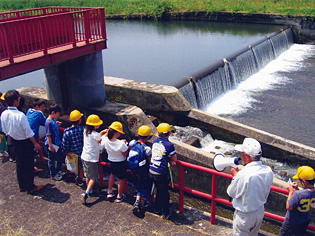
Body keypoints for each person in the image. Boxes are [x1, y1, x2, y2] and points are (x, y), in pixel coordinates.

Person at [227, 138, 274, 236]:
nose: (241, 155)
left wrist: (235, 176)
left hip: (245, 215)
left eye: (242, 153)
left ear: (247, 157)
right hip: (260, 211)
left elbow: (232, 192)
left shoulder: (244, 174)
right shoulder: (268, 170)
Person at [1, 90, 44, 194]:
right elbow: (28, 133)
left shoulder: (4, 113)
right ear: (16, 101)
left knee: (20, 164)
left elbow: (4, 129)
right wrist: (35, 143)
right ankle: (31, 187)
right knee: (28, 165)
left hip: (12, 141)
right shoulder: (20, 115)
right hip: (24, 142)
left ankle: (22, 185)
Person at [149, 123, 177, 220]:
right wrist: (170, 160)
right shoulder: (169, 145)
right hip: (161, 172)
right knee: (164, 193)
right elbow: (175, 159)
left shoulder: (156, 140)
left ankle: (157, 208)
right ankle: (166, 212)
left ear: (158, 134)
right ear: (169, 133)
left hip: (152, 170)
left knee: (159, 190)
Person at [279, 166, 315, 236]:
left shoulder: (298, 194)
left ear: (304, 181)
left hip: (292, 222)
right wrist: (297, 189)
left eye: (300, 180)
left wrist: (291, 192)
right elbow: (305, 196)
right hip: (305, 220)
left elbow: (289, 207)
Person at [101, 121, 129, 203]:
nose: (120, 134)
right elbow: (125, 154)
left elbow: (102, 140)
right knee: (121, 179)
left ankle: (109, 191)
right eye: (119, 132)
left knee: (112, 175)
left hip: (111, 161)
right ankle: (119, 196)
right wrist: (125, 144)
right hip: (121, 163)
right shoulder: (121, 144)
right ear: (116, 132)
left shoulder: (105, 140)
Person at [128, 125, 153, 214]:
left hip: (134, 168)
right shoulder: (147, 149)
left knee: (139, 185)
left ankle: (137, 201)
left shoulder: (132, 143)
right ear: (148, 137)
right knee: (144, 186)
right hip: (144, 170)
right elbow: (150, 161)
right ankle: (142, 204)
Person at [80, 114, 105, 204]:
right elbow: (100, 143)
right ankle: (86, 194)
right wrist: (103, 136)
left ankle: (89, 190)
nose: (98, 125)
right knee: (94, 178)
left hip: (84, 156)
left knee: (88, 176)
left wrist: (101, 133)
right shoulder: (96, 135)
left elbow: (96, 137)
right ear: (94, 125)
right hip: (92, 159)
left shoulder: (85, 131)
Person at [60, 110, 85, 187]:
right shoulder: (83, 129)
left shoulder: (67, 132)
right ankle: (80, 180)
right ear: (80, 120)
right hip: (82, 152)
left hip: (72, 153)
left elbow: (64, 145)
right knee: (81, 167)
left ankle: (74, 176)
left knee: (73, 166)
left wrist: (65, 152)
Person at [44, 104, 64, 181]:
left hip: (57, 143)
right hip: (52, 144)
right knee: (51, 159)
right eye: (58, 114)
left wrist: (57, 124)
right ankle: (53, 174)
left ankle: (57, 170)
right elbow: (48, 135)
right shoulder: (48, 122)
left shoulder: (53, 120)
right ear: (53, 112)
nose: (58, 115)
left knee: (60, 156)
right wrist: (50, 146)